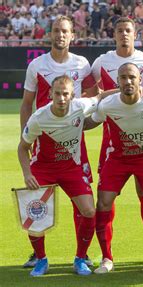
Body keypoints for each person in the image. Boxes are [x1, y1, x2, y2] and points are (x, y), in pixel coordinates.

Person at [19, 15, 97, 269]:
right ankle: (39, 256)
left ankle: (81, 256)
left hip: (73, 141)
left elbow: (94, 95)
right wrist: (26, 137)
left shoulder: (82, 64)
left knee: (84, 204)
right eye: (56, 31)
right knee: (37, 207)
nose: (60, 35)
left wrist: (85, 121)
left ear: (72, 35)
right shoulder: (37, 65)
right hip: (43, 138)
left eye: (65, 31)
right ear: (50, 34)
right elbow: (27, 103)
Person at [85, 63, 143, 274]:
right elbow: (90, 122)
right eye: (123, 77)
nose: (128, 81)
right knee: (103, 203)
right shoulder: (108, 105)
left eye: (132, 77)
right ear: (118, 81)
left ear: (140, 79)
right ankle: (107, 258)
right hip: (117, 159)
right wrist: (65, 119)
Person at [18, 75, 102, 276]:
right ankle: (41, 259)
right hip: (43, 168)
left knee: (89, 211)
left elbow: (101, 97)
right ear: (50, 94)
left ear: (72, 95)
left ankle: (80, 259)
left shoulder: (80, 106)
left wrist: (135, 89)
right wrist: (27, 173)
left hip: (71, 168)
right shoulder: (39, 117)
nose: (61, 98)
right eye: (57, 93)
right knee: (34, 214)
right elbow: (23, 148)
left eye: (65, 94)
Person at [91, 17, 143, 254]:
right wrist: (118, 91)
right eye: (119, 30)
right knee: (106, 198)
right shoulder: (102, 61)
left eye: (128, 30)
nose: (124, 34)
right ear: (114, 34)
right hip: (111, 141)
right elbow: (92, 94)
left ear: (135, 33)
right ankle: (106, 253)